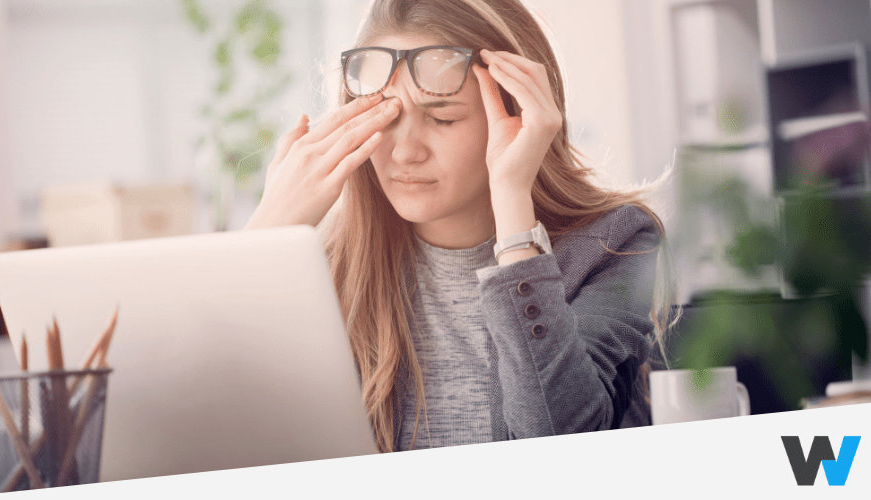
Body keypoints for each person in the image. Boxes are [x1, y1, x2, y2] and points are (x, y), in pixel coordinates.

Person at [246, 0, 676, 453]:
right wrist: (269, 234)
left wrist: (512, 198)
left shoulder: (616, 244)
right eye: (386, 117)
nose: (405, 151)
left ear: (518, 117)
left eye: (442, 117)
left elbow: (558, 440)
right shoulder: (326, 265)